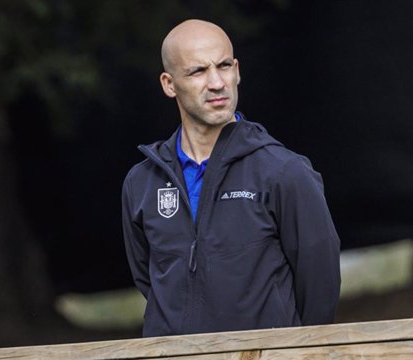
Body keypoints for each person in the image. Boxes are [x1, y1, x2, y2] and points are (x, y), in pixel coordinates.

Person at [121, 19, 341, 337]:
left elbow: (320, 288)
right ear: (169, 84)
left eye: (224, 66)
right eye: (198, 71)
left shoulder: (283, 171)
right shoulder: (141, 183)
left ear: (237, 70)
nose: (217, 82)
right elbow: (149, 280)